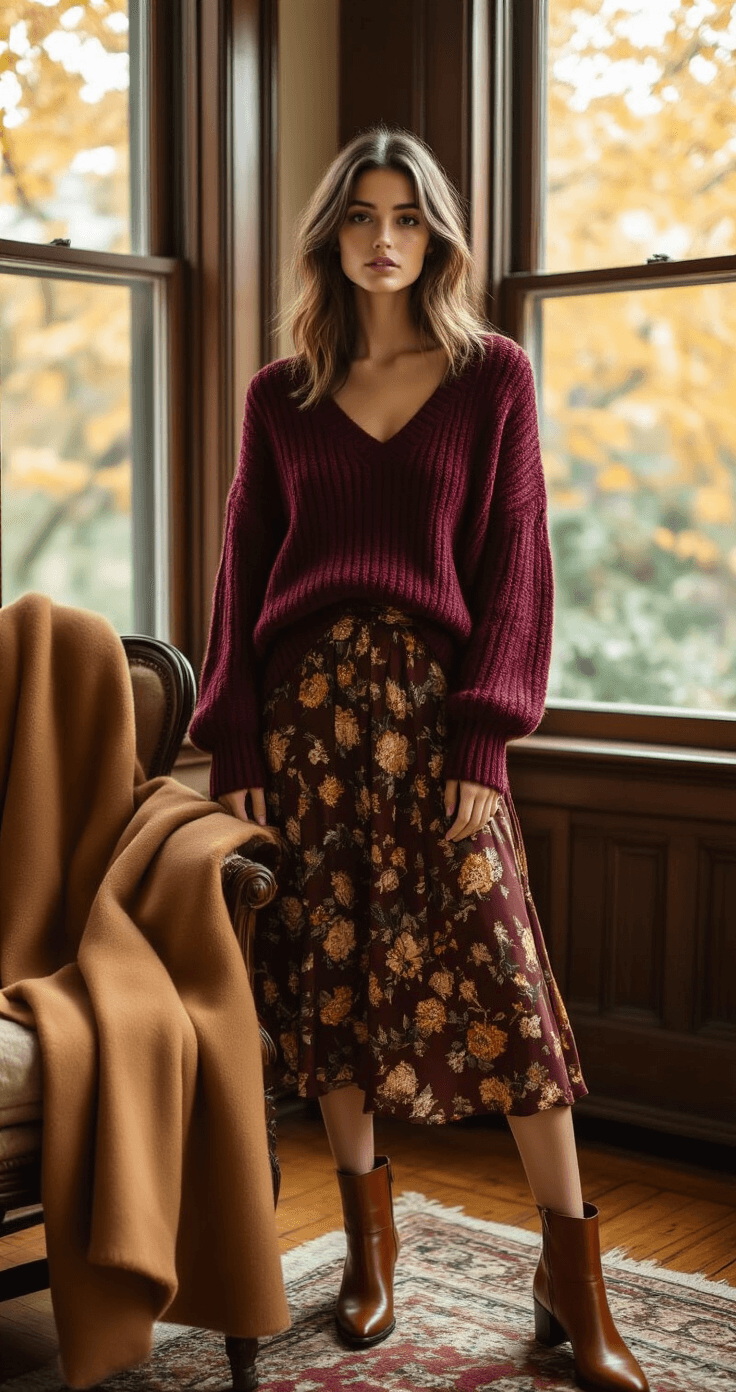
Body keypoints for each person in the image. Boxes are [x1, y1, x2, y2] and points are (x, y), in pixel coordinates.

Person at [188, 124, 648, 1392]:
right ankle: (366, 1251)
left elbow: (516, 558)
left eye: (406, 217)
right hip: (306, 723)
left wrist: (483, 734)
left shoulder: (492, 374)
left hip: (434, 718)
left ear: (437, 236)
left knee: (508, 991)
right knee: (329, 988)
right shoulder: (278, 395)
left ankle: (571, 1276)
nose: (383, 239)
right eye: (359, 217)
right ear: (329, 236)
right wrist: (235, 736)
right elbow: (243, 574)